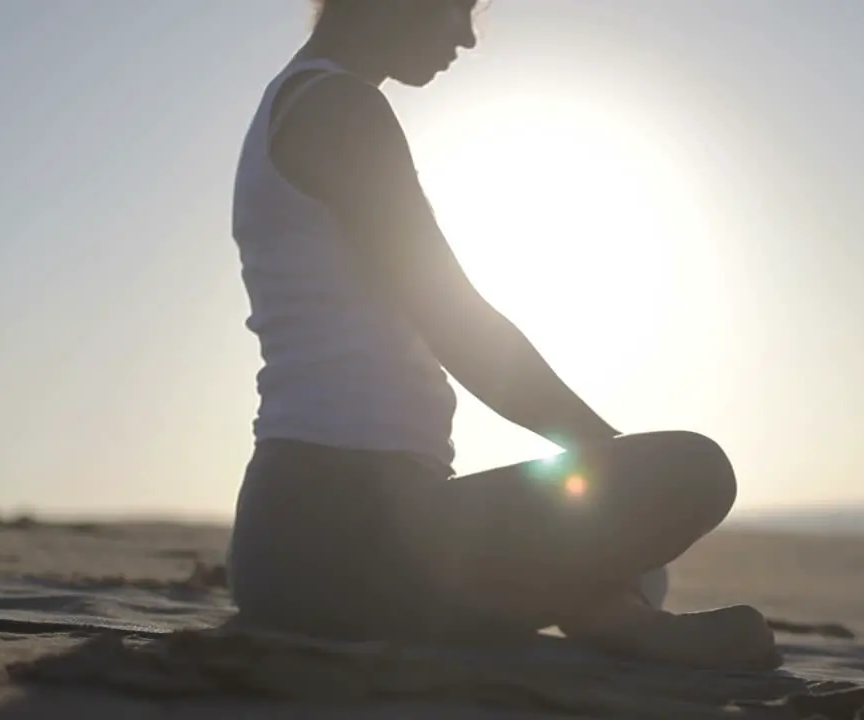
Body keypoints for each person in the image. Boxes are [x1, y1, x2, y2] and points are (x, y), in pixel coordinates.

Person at [225, 0, 781, 669]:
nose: (466, 35)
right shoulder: (337, 108)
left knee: (641, 552)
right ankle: (607, 614)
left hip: (320, 541)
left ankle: (606, 611)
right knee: (694, 472)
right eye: (457, 8)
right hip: (338, 536)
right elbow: (457, 322)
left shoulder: (304, 102)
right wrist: (608, 452)